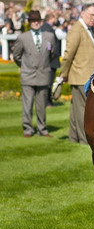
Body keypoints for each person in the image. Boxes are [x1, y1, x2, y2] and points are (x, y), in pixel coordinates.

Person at [60, 3, 94, 144]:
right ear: (83, 13)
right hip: (80, 76)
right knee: (83, 111)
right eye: (91, 15)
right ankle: (84, 139)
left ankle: (73, 137)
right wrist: (63, 74)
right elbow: (68, 54)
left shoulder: (89, 29)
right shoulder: (76, 29)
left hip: (86, 76)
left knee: (76, 109)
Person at [13, 10, 58, 138]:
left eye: (37, 20)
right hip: (27, 76)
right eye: (33, 20)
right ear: (29, 22)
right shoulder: (23, 37)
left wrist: (43, 64)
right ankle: (28, 129)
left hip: (44, 74)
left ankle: (42, 129)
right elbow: (17, 56)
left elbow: (53, 54)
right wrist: (26, 66)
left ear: (41, 21)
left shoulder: (49, 36)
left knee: (41, 106)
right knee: (27, 106)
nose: (36, 22)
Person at [41, 12, 60, 106]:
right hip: (50, 60)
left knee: (49, 81)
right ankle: (46, 101)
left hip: (51, 60)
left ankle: (48, 101)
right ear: (52, 18)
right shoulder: (46, 28)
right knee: (48, 81)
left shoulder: (48, 28)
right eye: (55, 17)